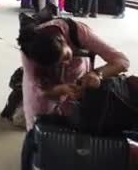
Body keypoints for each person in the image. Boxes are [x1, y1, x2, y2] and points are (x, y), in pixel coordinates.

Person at [19, 19, 130, 170]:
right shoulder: (31, 51)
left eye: (65, 57)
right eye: (56, 64)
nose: (64, 64)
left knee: (72, 138)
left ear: (62, 40)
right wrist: (61, 89)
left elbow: (122, 61)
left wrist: (98, 74)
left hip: (77, 88)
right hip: (43, 93)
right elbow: (38, 88)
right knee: (37, 132)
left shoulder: (79, 33)